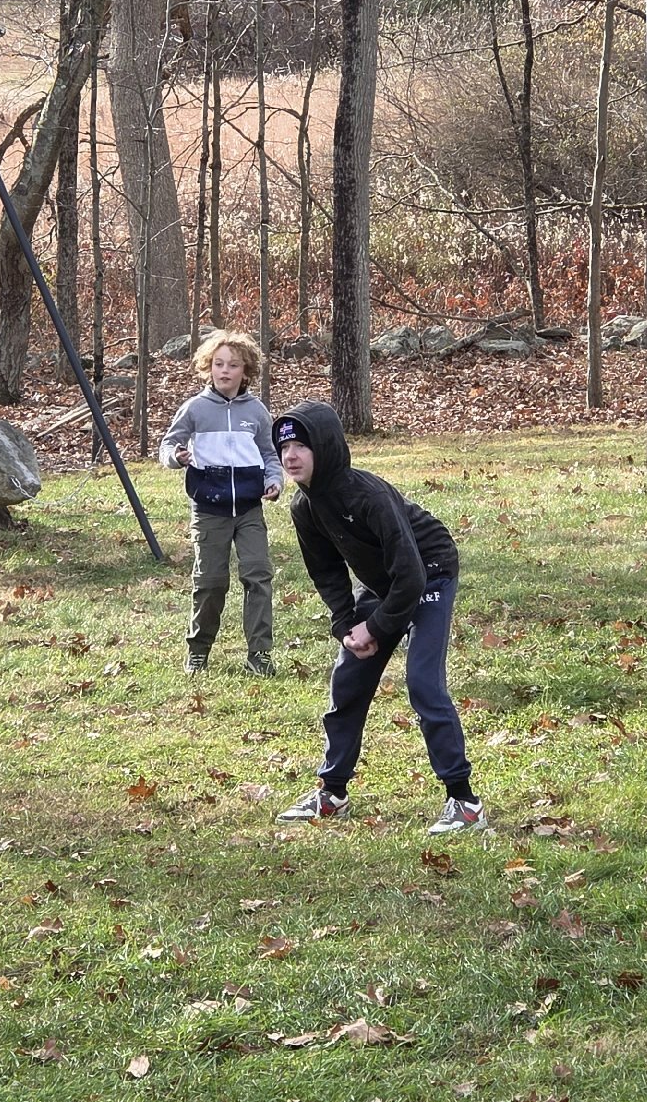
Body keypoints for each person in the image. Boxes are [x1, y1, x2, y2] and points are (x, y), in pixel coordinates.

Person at [270, 400, 487, 835]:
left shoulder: (367, 495)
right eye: (283, 447)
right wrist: (348, 625)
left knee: (423, 681)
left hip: (429, 574)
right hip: (384, 583)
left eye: (301, 445)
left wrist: (378, 626)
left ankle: (465, 803)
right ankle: (331, 793)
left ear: (326, 447)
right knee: (348, 679)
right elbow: (328, 574)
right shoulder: (305, 508)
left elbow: (411, 574)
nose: (290, 455)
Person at [159, 329, 282, 676]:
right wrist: (177, 457)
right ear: (208, 368)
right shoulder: (195, 409)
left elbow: (270, 454)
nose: (225, 371)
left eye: (233, 365)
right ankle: (198, 650)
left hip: (249, 509)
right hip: (209, 509)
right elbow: (168, 445)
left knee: (258, 576)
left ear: (247, 371)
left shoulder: (257, 412)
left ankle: (260, 654)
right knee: (211, 582)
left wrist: (274, 481)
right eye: (218, 364)